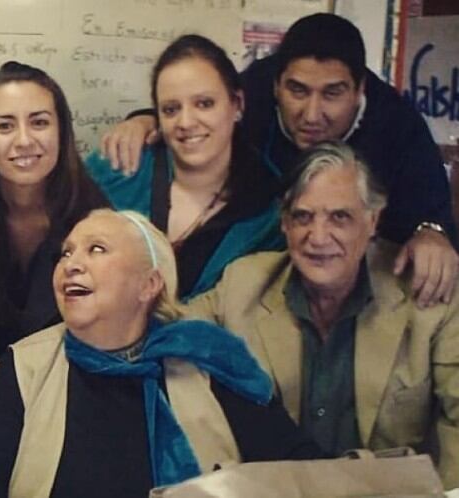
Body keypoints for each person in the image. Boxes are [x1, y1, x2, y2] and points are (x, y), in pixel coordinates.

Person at [0, 208, 323, 497]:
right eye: (65, 254)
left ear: (149, 284)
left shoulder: (208, 362)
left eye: (96, 249)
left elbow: (300, 471)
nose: (71, 264)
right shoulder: (24, 370)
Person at [102, 13, 459, 309]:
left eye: (332, 93)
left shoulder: (398, 126)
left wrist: (433, 233)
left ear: (360, 90)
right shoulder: (253, 91)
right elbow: (196, 109)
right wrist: (146, 119)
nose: (312, 114)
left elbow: (434, 214)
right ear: (276, 86)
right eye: (298, 91)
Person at [188, 141, 459, 488]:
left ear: (372, 220)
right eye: (302, 216)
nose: (318, 237)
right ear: (284, 224)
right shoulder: (243, 285)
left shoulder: (427, 297)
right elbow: (168, 329)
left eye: (339, 217)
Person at [85, 34, 284, 300]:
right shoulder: (117, 167)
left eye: (204, 104)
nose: (186, 121)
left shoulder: (268, 210)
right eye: (171, 109)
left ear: (237, 104)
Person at [0, 61, 106, 377]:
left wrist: (0, 374)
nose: (24, 140)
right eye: (4, 126)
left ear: (62, 131)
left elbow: (104, 331)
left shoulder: (92, 213)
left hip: (59, 387)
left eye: (39, 122)